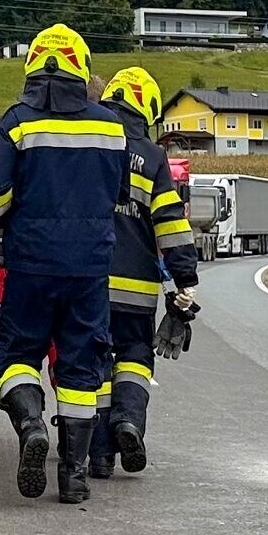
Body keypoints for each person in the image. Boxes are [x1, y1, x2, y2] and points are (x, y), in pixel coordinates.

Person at [0, 24, 128, 505]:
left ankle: (30, 423)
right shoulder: (111, 126)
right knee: (83, 365)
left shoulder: (17, 122)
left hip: (30, 262)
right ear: (81, 69)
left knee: (14, 353)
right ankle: (74, 475)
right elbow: (119, 194)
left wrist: (8, 219)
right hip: (89, 266)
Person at [85, 67, 198, 480]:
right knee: (134, 357)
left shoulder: (91, 139)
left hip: (90, 281)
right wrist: (185, 281)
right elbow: (170, 222)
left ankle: (97, 456)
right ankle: (128, 422)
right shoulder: (152, 157)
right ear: (147, 111)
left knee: (95, 364)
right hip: (138, 288)